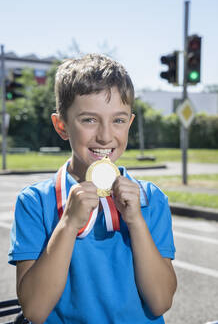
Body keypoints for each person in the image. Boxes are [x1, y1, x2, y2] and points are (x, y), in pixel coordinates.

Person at [8, 53, 177, 324]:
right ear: (61, 126)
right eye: (89, 120)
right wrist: (68, 223)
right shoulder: (34, 202)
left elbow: (160, 302)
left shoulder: (150, 199)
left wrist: (135, 221)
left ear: (130, 124)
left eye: (118, 120)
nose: (105, 135)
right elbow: (35, 311)